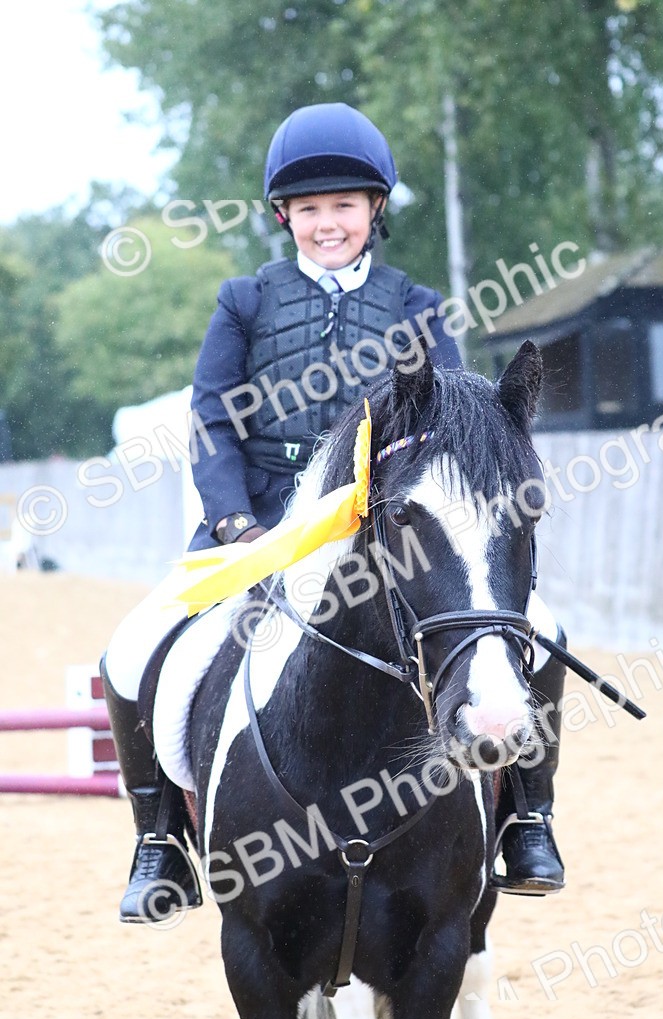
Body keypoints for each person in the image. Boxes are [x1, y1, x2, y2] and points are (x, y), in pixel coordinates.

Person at [102, 102, 567, 923]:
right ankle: (160, 842)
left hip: (384, 538)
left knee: (547, 633)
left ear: (374, 210)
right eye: (309, 209)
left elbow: (458, 425)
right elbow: (211, 419)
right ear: (283, 214)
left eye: (344, 206)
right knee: (134, 648)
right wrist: (233, 522)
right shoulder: (243, 301)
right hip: (256, 534)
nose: (327, 224)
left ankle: (528, 820)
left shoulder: (417, 305)